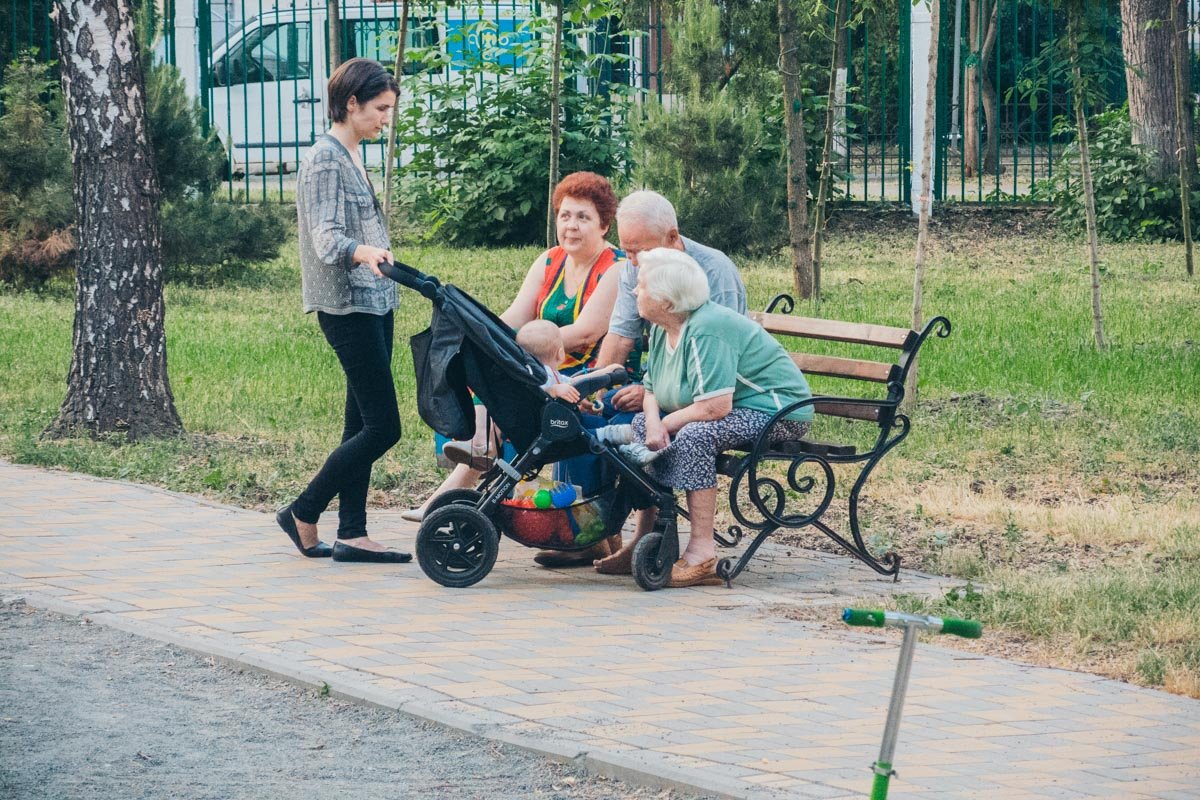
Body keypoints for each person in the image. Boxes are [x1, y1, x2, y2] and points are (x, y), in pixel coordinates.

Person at [403, 172, 627, 545]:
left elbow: (585, 332)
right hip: (542, 366)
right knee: (487, 376)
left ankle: (470, 468)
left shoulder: (615, 268)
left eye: (582, 217)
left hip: (589, 371)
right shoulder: (549, 261)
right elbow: (511, 320)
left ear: (604, 224)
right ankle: (474, 461)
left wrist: (520, 351)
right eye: (564, 215)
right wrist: (491, 344)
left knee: (515, 386)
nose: (570, 226)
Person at [592, 248, 814, 587]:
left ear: (666, 301)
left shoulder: (707, 328)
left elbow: (715, 408)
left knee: (696, 435)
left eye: (642, 286)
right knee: (641, 426)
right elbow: (651, 389)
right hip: (736, 408)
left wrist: (665, 425)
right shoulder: (667, 327)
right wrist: (653, 422)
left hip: (777, 411)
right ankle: (645, 538)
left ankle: (702, 553)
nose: (635, 291)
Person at [275, 58, 410, 565]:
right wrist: (365, 252)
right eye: (379, 109)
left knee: (359, 426)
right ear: (350, 103)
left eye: (389, 109)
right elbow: (326, 236)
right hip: (348, 304)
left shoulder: (352, 154)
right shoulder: (326, 159)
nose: (385, 119)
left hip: (375, 300)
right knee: (383, 427)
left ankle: (352, 531)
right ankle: (304, 510)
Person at [593, 190, 748, 416]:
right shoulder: (634, 265)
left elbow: (718, 360)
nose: (635, 262)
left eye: (643, 251)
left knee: (621, 425)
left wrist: (650, 395)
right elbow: (620, 336)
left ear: (672, 237)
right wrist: (594, 390)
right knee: (602, 408)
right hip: (663, 381)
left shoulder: (714, 271)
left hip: (714, 393)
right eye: (627, 252)